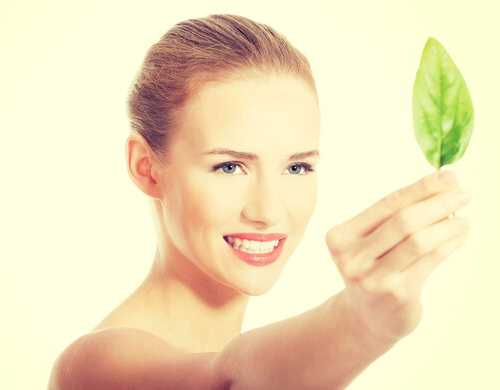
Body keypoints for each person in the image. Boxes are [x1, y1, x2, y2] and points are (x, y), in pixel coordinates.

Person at [47, 14, 471, 390]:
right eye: (230, 167)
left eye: (297, 168)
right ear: (146, 167)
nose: (268, 212)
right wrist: (361, 320)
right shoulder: (94, 369)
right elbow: (227, 381)